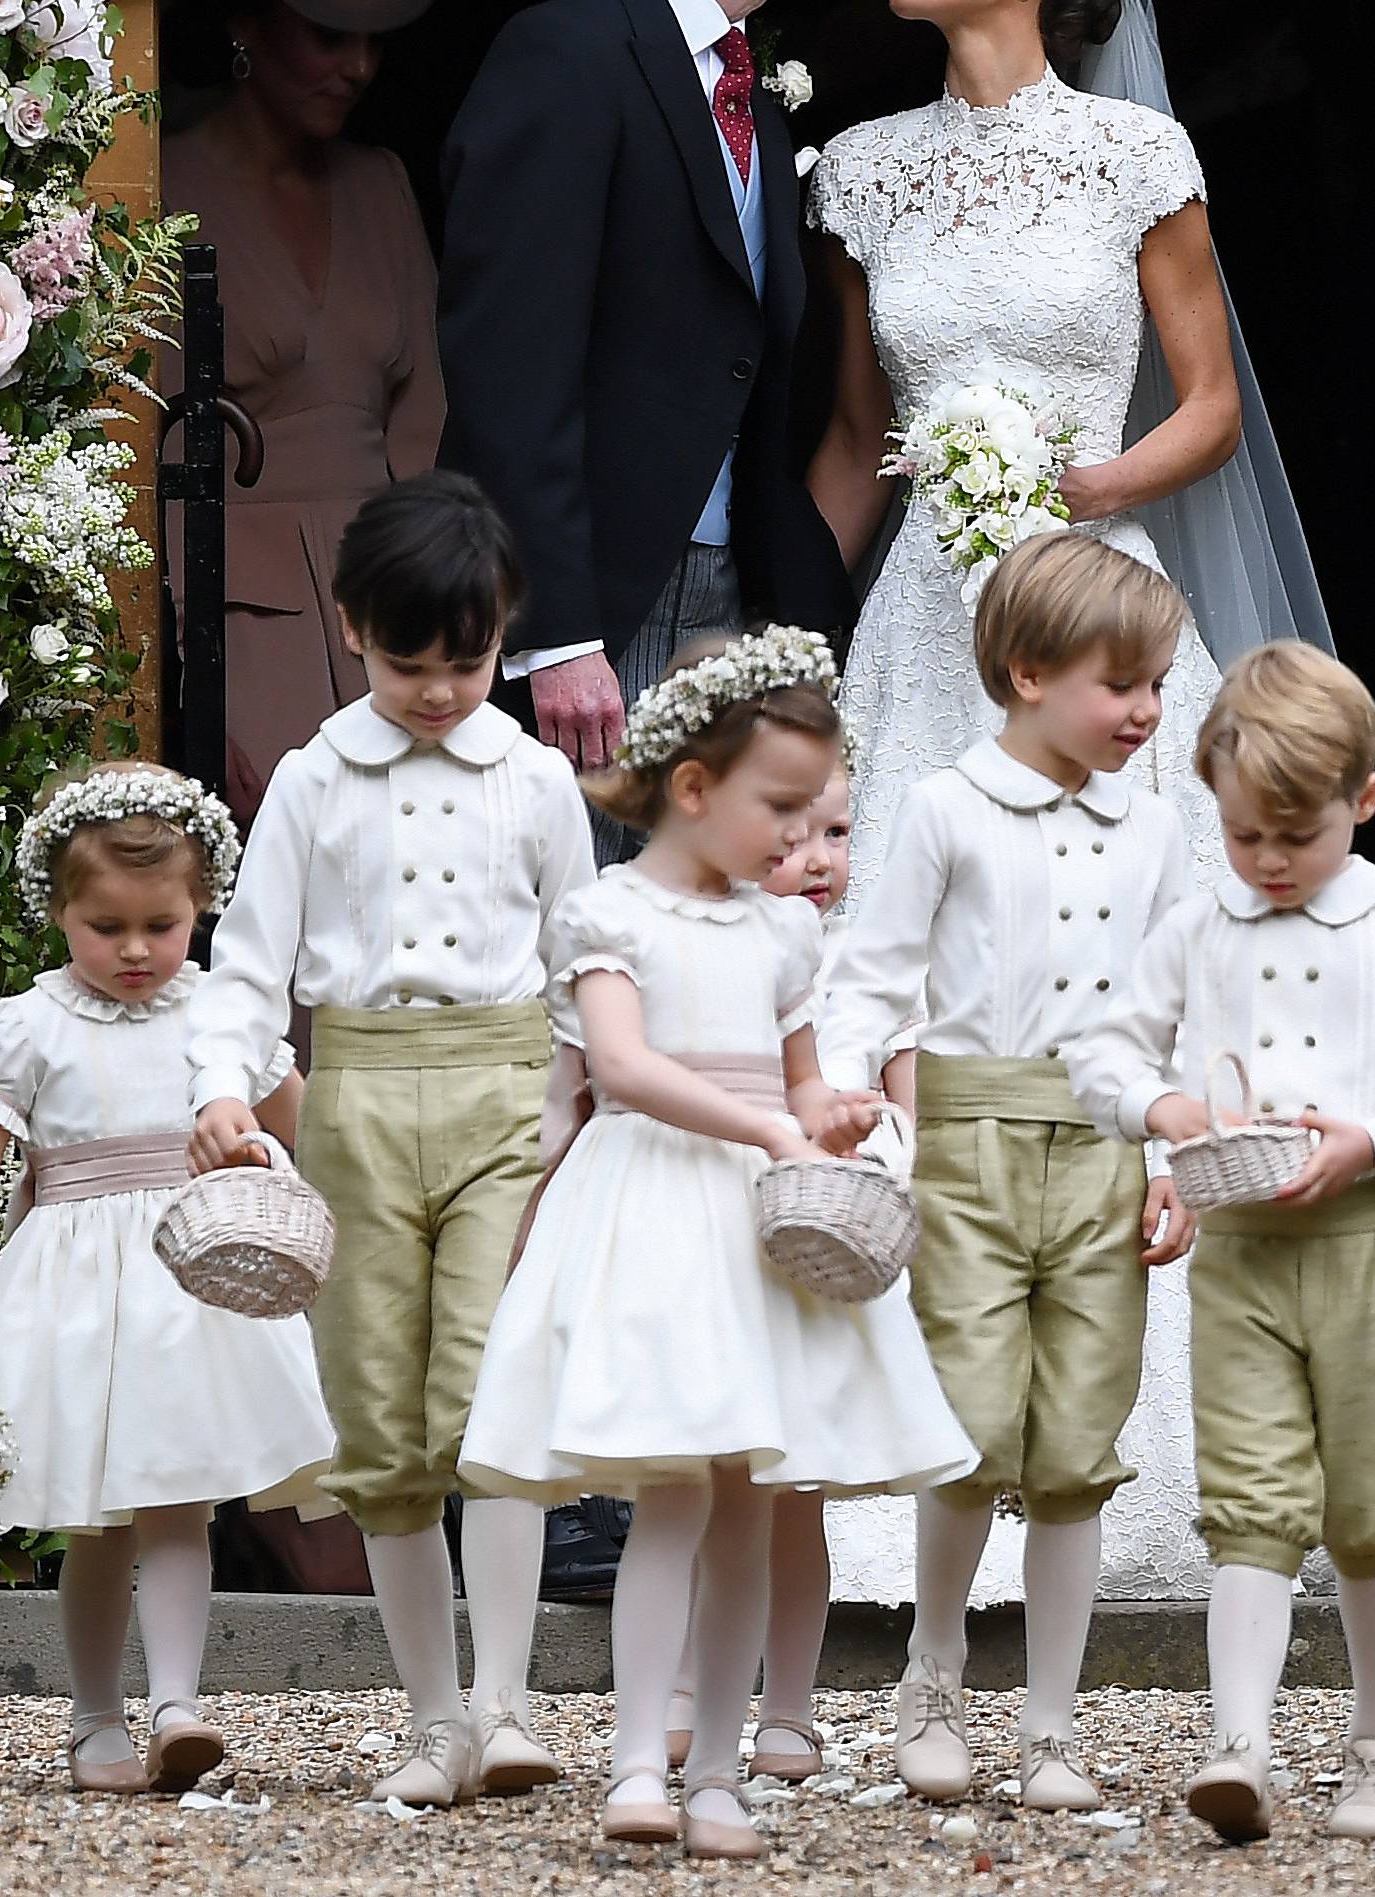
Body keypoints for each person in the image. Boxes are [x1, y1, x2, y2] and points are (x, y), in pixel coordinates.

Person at [456, 628, 974, 1860]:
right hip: (654, 1214)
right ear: (694, 789)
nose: (805, 845)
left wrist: (833, 1114)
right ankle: (642, 1756)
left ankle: (724, 1771)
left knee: (750, 1498)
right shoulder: (606, 913)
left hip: (761, 1227)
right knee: (677, 1495)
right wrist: (765, 1125)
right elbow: (624, 1070)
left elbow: (803, 1084)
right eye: (781, 810)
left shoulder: (784, 936)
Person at [806, 0, 1328, 908]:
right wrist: (803, 631)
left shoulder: (1136, 156)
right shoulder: (858, 173)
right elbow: (861, 442)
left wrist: (1084, 493)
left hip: (1100, 601)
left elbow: (1212, 408)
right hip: (924, 615)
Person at [185, 473, 596, 1809]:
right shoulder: (313, 779)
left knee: (499, 1394)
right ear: (354, 628)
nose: (436, 689)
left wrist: (567, 1107)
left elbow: (584, 958)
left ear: (504, 631)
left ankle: (510, 1703)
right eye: (407, 660)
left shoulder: (537, 778)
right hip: (355, 1101)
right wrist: (225, 1082)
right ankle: (433, 1718)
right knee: (384, 1415)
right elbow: (248, 967)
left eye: (466, 662)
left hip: (503, 1099)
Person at [439, 0, 897, 858]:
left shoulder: (753, 81)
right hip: (599, 605)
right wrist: (556, 633)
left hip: (734, 591)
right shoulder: (566, 56)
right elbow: (511, 362)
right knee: (597, 952)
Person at [1071, 642, 1375, 1841]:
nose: (1265, 863)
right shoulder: (1198, 926)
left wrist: (1370, 1139)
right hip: (1245, 1256)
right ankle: (1242, 1748)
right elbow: (1107, 1048)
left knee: (1372, 1509)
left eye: (1292, 838)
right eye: (1244, 836)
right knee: (1250, 1504)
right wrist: (1164, 1110)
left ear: (1362, 803)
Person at [818, 534, 1196, 1811]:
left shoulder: (1154, 828)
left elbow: (1177, 1004)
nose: (1146, 711)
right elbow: (871, 968)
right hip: (970, 1147)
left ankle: (1052, 1727)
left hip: (1103, 1147)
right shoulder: (944, 808)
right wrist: (848, 1092)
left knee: (1081, 1438)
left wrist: (1176, 1156)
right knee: (974, 1427)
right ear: (1028, 673)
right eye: (1121, 684)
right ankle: (932, 1675)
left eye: (1156, 685)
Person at [0, 765, 332, 1793]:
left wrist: (286, 1176)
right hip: (73, 1292)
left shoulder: (221, 1016)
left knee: (178, 1497)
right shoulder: (23, 1025)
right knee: (95, 1513)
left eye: (161, 925)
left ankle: (178, 1703)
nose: (135, 951)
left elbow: (299, 1125)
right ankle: (95, 1721)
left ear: (201, 909)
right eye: (106, 927)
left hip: (192, 1285)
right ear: (58, 911)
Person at [164, 0, 452, 823]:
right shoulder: (165, 190)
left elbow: (423, 426)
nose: (360, 66)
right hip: (234, 623)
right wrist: (196, 697)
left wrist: (436, 628)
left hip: (387, 616)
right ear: (250, 28)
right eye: (331, 36)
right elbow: (141, 455)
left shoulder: (380, 185)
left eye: (374, 40)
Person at [665, 753, 893, 1783]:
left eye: (837, 836)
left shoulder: (876, 964)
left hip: (819, 1244)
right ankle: (678, 1684)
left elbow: (908, 1099)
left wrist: (872, 1141)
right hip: (712, 1236)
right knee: (689, 1479)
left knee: (793, 1492)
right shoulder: (707, 947)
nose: (814, 859)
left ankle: (791, 1706)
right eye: (792, 834)